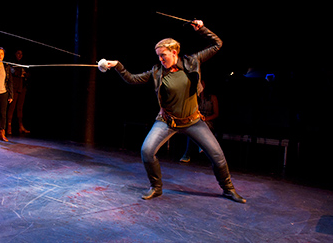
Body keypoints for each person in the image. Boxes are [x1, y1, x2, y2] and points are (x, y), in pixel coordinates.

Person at [105, 20, 246, 203]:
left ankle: (228, 189)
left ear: (174, 52)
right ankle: (156, 187)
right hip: (167, 121)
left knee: (218, 156)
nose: (160, 59)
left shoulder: (192, 61)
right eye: (158, 56)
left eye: (163, 55)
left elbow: (217, 44)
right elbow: (132, 79)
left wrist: (202, 29)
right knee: (147, 151)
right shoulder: (157, 72)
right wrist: (117, 65)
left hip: (194, 121)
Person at [180, 80, 219, 163]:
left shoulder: (212, 97)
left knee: (199, 126)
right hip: (196, 120)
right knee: (192, 127)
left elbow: (216, 114)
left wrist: (205, 118)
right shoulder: (194, 97)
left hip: (208, 121)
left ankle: (195, 150)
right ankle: (188, 153)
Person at [7, 49, 30, 135]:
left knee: (20, 108)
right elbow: (12, 72)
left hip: (22, 87)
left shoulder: (24, 63)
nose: (20, 55)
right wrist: (21, 72)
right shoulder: (11, 62)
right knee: (12, 107)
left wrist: (24, 73)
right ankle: (9, 126)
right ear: (15, 54)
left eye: (21, 54)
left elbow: (28, 73)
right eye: (18, 53)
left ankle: (21, 126)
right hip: (14, 88)